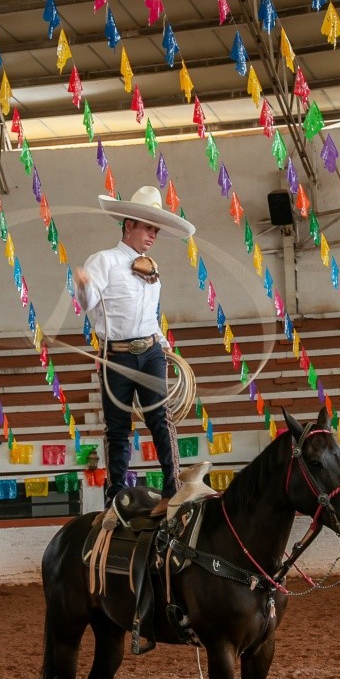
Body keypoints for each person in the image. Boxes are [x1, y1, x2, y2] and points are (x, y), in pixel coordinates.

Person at [74, 186, 196, 518]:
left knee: (161, 418)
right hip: (116, 356)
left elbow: (149, 316)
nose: (153, 235)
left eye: (155, 229)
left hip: (151, 350)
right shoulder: (104, 261)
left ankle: (173, 489)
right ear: (129, 225)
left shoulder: (151, 269)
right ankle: (116, 497)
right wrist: (83, 284)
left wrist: (163, 344)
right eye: (148, 228)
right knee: (117, 428)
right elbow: (88, 303)